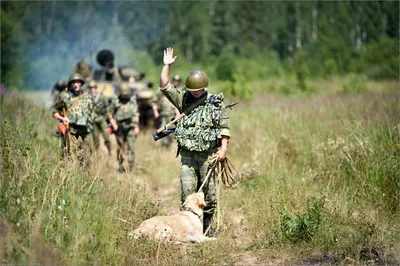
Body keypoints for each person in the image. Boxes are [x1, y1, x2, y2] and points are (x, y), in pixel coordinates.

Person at [159, 47, 231, 235]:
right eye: (193, 90)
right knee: (187, 192)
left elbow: (224, 128)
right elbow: (165, 86)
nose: (196, 93)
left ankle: (207, 227)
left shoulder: (215, 103)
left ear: (205, 87)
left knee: (210, 194)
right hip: (188, 157)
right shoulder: (183, 99)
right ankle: (187, 227)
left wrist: (223, 150)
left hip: (209, 155)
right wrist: (166, 66)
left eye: (199, 90)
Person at [52, 73, 93, 165]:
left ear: (81, 83)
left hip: (84, 130)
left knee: (85, 156)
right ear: (70, 84)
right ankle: (68, 175)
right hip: (70, 130)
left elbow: (91, 111)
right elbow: (55, 112)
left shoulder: (87, 96)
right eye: (73, 82)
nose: (76, 84)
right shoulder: (64, 96)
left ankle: (84, 176)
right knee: (67, 155)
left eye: (78, 82)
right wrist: (63, 118)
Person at [110, 83, 140, 173]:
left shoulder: (132, 100)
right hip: (119, 128)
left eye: (126, 94)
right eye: (123, 94)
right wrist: (114, 124)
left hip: (130, 127)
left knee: (131, 147)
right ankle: (120, 166)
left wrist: (136, 126)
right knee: (120, 148)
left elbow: (136, 114)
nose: (125, 95)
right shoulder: (115, 101)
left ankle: (131, 168)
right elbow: (110, 114)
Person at [88, 80, 112, 155]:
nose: (92, 89)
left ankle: (109, 150)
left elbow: (107, 107)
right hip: (94, 120)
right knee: (95, 138)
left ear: (96, 88)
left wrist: (109, 117)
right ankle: (96, 152)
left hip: (101, 118)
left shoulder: (102, 97)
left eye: (93, 88)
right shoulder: (88, 98)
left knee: (106, 136)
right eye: (91, 88)